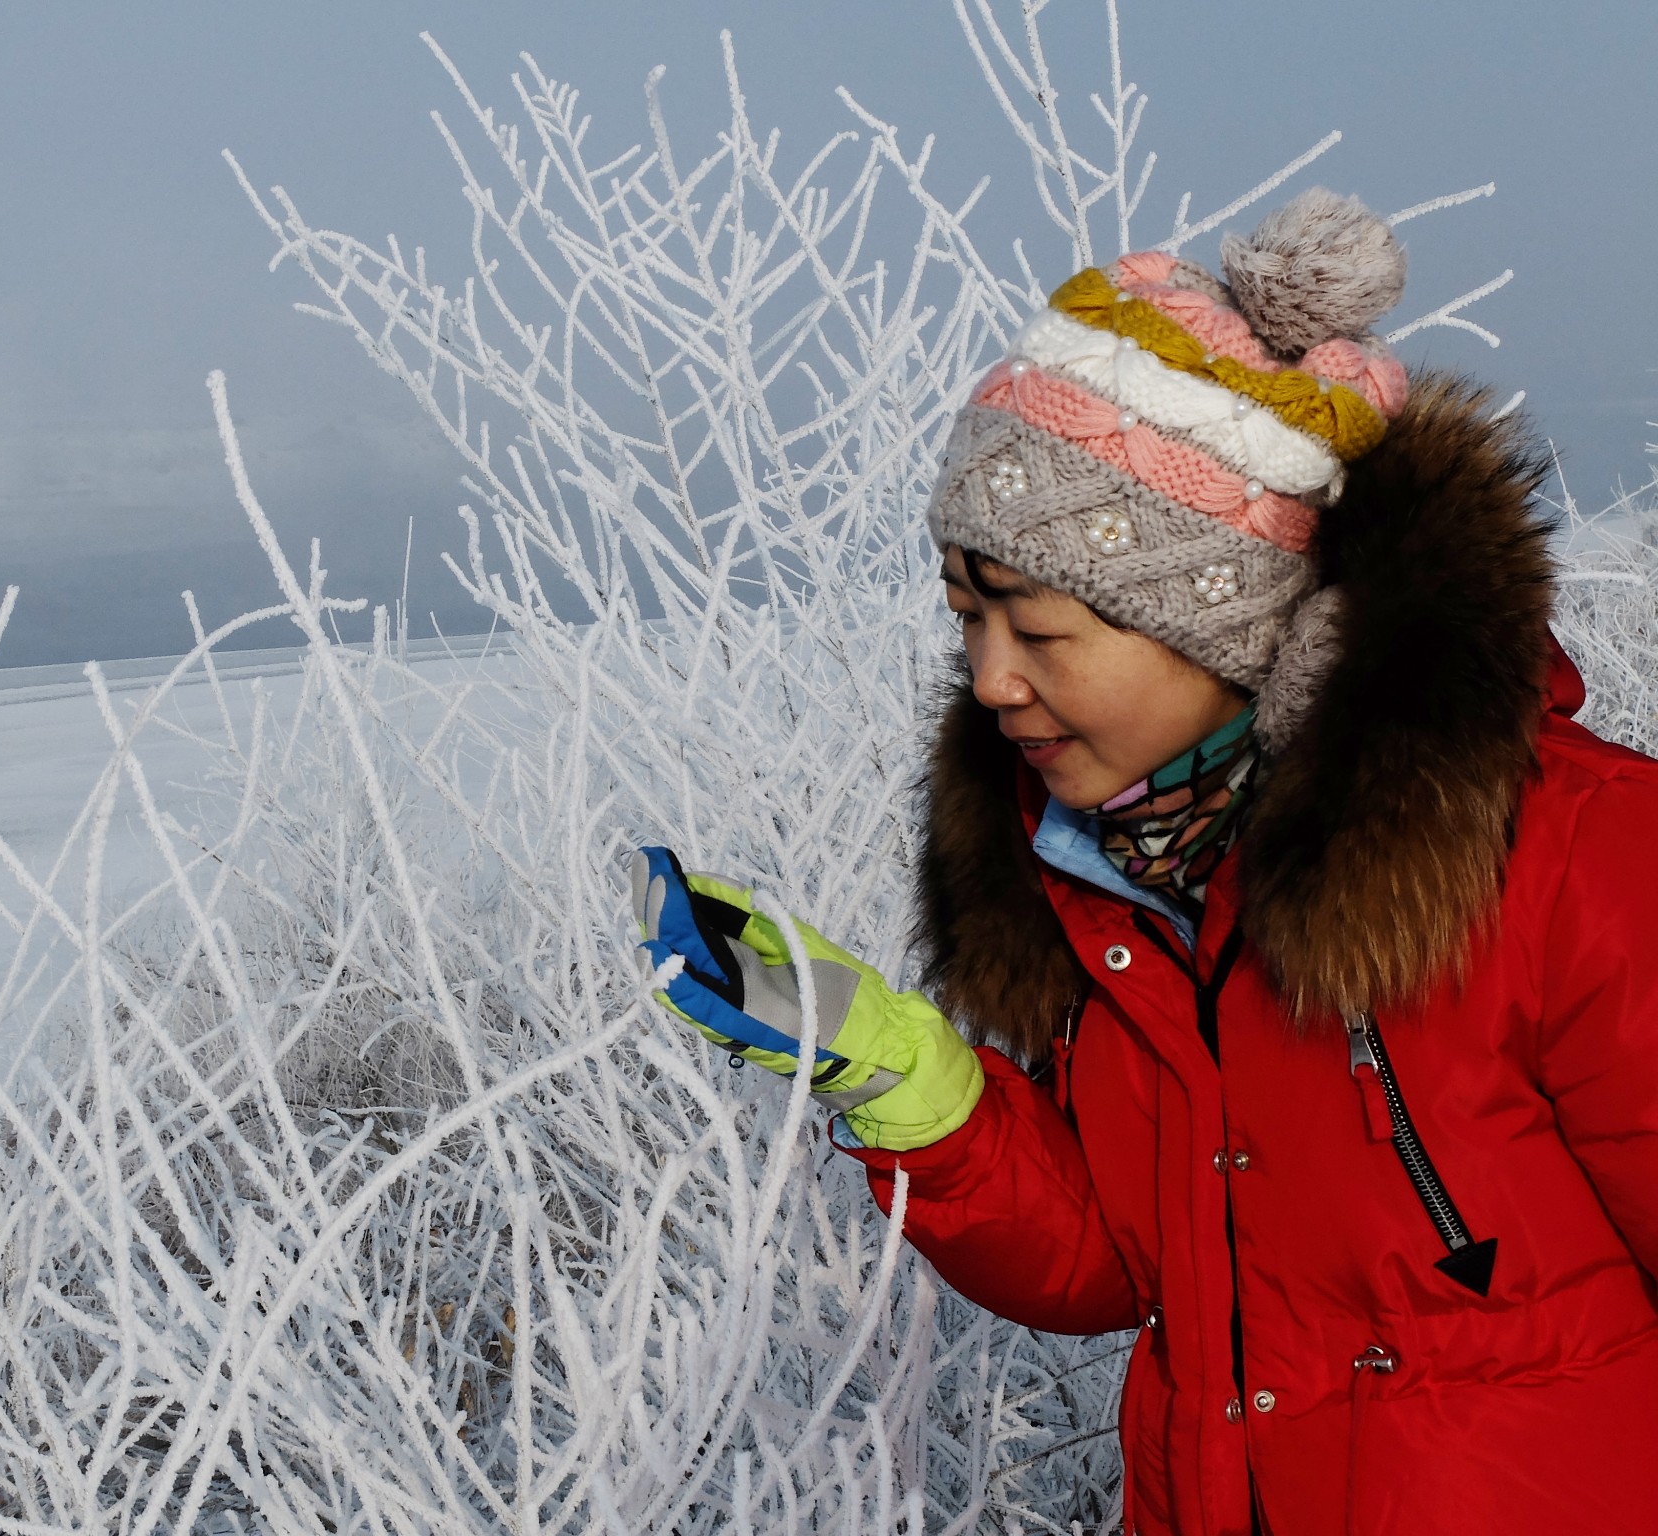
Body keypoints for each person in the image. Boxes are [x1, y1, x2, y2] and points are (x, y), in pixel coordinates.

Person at [629, 188, 1658, 1535]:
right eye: (969, 620)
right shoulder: (1115, 880)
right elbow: (1121, 1261)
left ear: (1222, 622)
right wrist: (888, 1063)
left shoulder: (1574, 855)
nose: (990, 682)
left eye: (1040, 632)